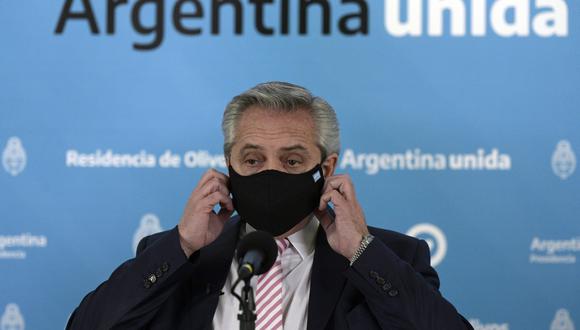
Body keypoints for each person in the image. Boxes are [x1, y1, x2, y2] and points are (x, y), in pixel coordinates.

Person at [67, 82, 473, 330]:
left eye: (293, 161)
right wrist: (182, 246)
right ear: (229, 165)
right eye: (253, 160)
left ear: (327, 167)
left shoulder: (390, 257)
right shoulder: (178, 257)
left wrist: (361, 252)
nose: (270, 174)